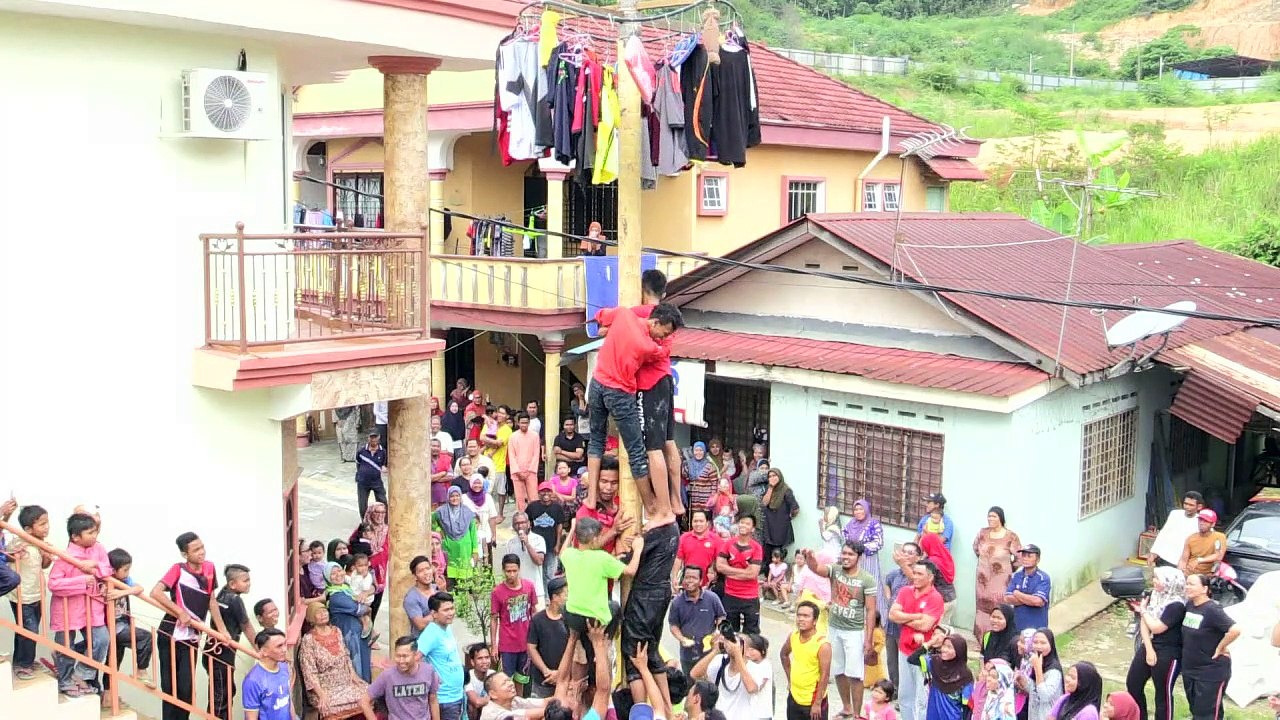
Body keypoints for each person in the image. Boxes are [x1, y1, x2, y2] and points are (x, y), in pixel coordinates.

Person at [586, 303, 684, 529]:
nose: (663, 337)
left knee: (596, 439)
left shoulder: (623, 314)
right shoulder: (647, 346)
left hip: (597, 382)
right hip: (619, 392)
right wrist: (662, 344)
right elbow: (662, 353)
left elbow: (601, 316)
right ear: (655, 322)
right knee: (638, 452)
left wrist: (607, 331)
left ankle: (592, 496)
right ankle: (654, 507)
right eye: (665, 332)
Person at [150, 531, 230, 720]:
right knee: (170, 687)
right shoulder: (178, 569)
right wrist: (179, 612)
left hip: (192, 634)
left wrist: (222, 630)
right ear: (185, 555)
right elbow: (156, 592)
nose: (201, 552)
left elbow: (211, 600)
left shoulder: (210, 568)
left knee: (186, 687)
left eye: (202, 547)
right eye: (196, 550)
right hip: (170, 632)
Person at [803, 541, 879, 720]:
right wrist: (810, 557)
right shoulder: (835, 570)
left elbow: (870, 610)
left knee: (855, 675)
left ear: (858, 557)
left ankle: (857, 714)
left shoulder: (866, 579)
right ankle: (846, 707)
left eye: (850, 554)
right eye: (844, 553)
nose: (846, 557)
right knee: (838, 670)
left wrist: (868, 639)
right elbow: (816, 568)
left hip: (854, 632)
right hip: (834, 628)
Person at [48, 512, 113, 698]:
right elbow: (53, 584)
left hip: (93, 607)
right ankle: (66, 681)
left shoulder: (98, 549)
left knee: (101, 640)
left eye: (95, 532)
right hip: (68, 609)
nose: (94, 536)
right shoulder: (65, 557)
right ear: (75, 537)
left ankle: (81, 673)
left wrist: (93, 565)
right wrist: (82, 581)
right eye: (90, 533)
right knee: (65, 647)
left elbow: (107, 569)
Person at [298, 602, 377, 719]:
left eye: (324, 611)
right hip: (325, 687)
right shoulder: (308, 640)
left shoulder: (336, 631)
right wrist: (321, 694)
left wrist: (354, 675)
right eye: (318, 613)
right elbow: (309, 672)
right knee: (329, 706)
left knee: (370, 693)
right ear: (311, 618)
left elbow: (346, 655)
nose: (323, 614)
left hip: (346, 681)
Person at [1124, 566, 1184, 720]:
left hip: (1168, 652)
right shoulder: (1155, 597)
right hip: (1150, 644)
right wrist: (1149, 649)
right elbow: (1145, 623)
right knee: (1133, 683)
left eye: (1158, 578)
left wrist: (1143, 610)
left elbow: (1157, 627)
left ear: (1169, 582)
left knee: (1162, 694)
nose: (1154, 582)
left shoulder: (1176, 605)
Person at [887, 559, 944, 720]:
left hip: (923, 655)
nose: (915, 577)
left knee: (922, 697)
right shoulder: (905, 591)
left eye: (920, 574)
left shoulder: (935, 597)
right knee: (905, 695)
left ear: (930, 577)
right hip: (904, 650)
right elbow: (892, 615)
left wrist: (903, 618)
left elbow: (926, 625)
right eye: (915, 573)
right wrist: (916, 616)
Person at [1180, 573, 1240, 720]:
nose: (1187, 587)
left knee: (1207, 714)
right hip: (1190, 669)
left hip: (1211, 671)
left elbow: (1235, 630)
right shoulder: (1189, 606)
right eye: (1186, 583)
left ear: (1204, 588)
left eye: (1192, 584)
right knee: (1196, 710)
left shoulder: (1212, 609)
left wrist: (1221, 647)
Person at [7, 504, 52, 681]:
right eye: (42, 524)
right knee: (29, 630)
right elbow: (7, 555)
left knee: (26, 630)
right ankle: (23, 665)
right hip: (21, 596)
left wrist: (47, 557)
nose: (47, 527)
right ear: (28, 528)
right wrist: (15, 555)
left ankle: (23, 660)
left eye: (47, 522)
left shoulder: (42, 544)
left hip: (36, 595)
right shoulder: (20, 541)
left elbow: (43, 565)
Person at [208, 564, 256, 719]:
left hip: (213, 649)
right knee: (222, 694)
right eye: (245, 580)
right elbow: (246, 625)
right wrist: (259, 647)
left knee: (222, 691)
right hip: (222, 652)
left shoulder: (222, 593)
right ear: (232, 584)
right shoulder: (234, 600)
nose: (249, 583)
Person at [690, 631, 772, 720]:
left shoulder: (756, 668)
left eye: (737, 643)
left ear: (748, 650)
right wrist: (715, 651)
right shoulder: (720, 661)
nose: (733, 645)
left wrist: (738, 655)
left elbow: (751, 688)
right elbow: (694, 674)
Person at [491, 554, 540, 695]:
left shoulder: (529, 587)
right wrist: (494, 645)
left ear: (519, 569)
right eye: (508, 571)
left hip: (525, 644)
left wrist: (536, 639)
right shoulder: (497, 592)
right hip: (507, 646)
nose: (511, 574)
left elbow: (534, 612)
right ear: (503, 570)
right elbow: (494, 619)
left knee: (521, 680)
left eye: (514, 571)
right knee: (504, 681)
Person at [974, 506, 1023, 639]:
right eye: (989, 516)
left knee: (999, 606)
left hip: (1001, 580)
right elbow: (976, 549)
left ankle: (1000, 637)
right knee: (982, 609)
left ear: (1000, 518)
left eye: (994, 516)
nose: (991, 519)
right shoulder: (982, 533)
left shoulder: (1010, 536)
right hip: (983, 579)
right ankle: (982, 639)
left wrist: (1008, 568)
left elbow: (1019, 557)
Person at [419, 592, 468, 720]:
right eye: (446, 610)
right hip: (444, 700)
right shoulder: (431, 633)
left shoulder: (446, 628)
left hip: (456, 695)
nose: (451, 613)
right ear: (434, 613)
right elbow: (414, 658)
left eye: (452, 608)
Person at [669, 566, 727, 675]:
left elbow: (721, 616)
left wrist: (718, 631)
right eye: (687, 577)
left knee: (711, 684)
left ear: (700, 581)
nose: (689, 581)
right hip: (688, 654)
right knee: (690, 683)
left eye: (694, 578)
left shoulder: (712, 598)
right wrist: (682, 639)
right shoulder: (677, 602)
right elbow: (673, 625)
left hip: (710, 652)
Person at [369, 636, 442, 720]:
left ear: (415, 655)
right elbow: (364, 702)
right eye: (398, 656)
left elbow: (433, 700)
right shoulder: (387, 676)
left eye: (405, 656)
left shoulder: (428, 671)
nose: (401, 661)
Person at [781, 601, 832, 720]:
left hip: (812, 702)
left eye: (806, 616)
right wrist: (790, 679)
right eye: (799, 615)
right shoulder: (793, 636)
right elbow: (783, 655)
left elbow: (825, 675)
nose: (801, 619)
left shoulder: (822, 644)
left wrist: (818, 703)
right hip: (794, 697)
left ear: (815, 621)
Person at [325, 561, 373, 681]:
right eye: (333, 574)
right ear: (327, 578)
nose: (338, 575)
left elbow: (372, 587)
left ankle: (366, 693)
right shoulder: (335, 596)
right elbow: (358, 609)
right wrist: (368, 608)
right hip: (350, 636)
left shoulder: (346, 588)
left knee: (364, 664)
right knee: (356, 666)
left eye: (339, 571)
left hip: (358, 634)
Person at [717, 513, 764, 635]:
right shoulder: (728, 544)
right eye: (741, 522)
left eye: (747, 523)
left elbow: (753, 574)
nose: (743, 525)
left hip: (750, 596)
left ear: (753, 528)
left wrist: (730, 571)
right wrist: (743, 572)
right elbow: (719, 566)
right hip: (730, 594)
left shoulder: (757, 548)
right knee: (729, 633)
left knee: (752, 634)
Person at [881, 542, 920, 689]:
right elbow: (887, 584)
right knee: (891, 659)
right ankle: (894, 688)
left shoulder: (917, 574)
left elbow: (914, 581)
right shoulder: (894, 574)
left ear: (918, 557)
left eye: (911, 553)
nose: (907, 555)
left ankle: (905, 691)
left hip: (906, 624)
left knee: (905, 659)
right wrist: (890, 598)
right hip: (891, 622)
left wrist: (904, 565)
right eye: (904, 552)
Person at [527, 577, 570, 699]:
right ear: (555, 597)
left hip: (566, 680)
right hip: (543, 681)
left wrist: (560, 673)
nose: (568, 598)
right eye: (565, 594)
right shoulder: (537, 620)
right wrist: (546, 671)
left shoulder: (570, 620)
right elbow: (531, 647)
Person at [243, 629, 295, 720]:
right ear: (264, 651)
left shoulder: (284, 667)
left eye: (285, 644)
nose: (284, 649)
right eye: (279, 646)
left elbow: (289, 701)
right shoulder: (253, 680)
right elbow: (251, 717)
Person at [920, 633, 973, 720]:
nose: (944, 649)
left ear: (959, 651)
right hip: (933, 715)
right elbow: (912, 659)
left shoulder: (965, 675)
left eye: (949, 647)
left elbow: (967, 706)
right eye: (943, 645)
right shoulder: (934, 662)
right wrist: (930, 643)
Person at [526, 482, 569, 588]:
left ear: (552, 493)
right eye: (542, 491)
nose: (545, 493)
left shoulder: (557, 507)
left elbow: (559, 526)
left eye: (548, 491)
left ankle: (549, 597)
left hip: (551, 544)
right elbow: (527, 523)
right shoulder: (532, 506)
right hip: (536, 545)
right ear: (538, 493)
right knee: (536, 571)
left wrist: (557, 544)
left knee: (549, 573)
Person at [435, 486, 480, 586]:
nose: (455, 499)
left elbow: (473, 533)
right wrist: (438, 530)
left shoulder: (467, 512)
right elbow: (432, 521)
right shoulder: (441, 512)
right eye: (452, 496)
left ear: (460, 497)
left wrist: (475, 551)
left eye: (457, 496)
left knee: (465, 581)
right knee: (451, 580)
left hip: (465, 548)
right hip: (449, 547)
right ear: (448, 497)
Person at [1148, 491, 1204, 568]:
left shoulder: (1201, 521)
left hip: (1183, 562)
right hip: (1165, 557)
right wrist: (1154, 552)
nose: (1187, 507)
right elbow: (1163, 533)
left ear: (1199, 507)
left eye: (1191, 505)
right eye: (1185, 504)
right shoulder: (1175, 514)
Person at [1004, 545, 1050, 632]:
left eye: (1029, 556)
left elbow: (1038, 601)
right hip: (1017, 626)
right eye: (1023, 555)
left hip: (1037, 627)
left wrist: (1017, 594)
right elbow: (1007, 599)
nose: (1025, 558)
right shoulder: (1016, 576)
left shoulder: (1043, 578)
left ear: (1038, 559)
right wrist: (1029, 599)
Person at [506, 512, 548, 607]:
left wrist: (527, 544)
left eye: (522, 522)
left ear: (528, 524)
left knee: (537, 619)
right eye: (517, 523)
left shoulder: (539, 539)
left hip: (536, 591)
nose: (520, 526)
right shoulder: (510, 543)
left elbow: (539, 561)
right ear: (513, 526)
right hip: (517, 592)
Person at [841, 500, 885, 591]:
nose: (858, 512)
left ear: (866, 510)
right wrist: (851, 547)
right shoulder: (851, 523)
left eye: (861, 509)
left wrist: (862, 547)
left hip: (867, 559)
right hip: (852, 558)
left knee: (868, 583)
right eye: (856, 509)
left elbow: (878, 542)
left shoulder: (874, 524)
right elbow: (844, 535)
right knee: (853, 583)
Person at [1021, 629, 1065, 720]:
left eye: (1043, 643)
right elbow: (1034, 690)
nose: (1038, 646)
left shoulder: (1054, 671)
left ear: (1051, 645)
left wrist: (1038, 669)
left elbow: (1044, 695)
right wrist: (1022, 680)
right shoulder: (1036, 660)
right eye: (1035, 642)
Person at [674, 510, 720, 590]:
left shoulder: (716, 539)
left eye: (701, 521)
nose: (698, 524)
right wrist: (674, 577)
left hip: (708, 585)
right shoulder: (684, 538)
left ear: (707, 523)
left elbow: (719, 561)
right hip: (688, 582)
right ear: (691, 522)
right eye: (695, 521)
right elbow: (678, 559)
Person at [482, 405, 515, 516]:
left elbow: (500, 443)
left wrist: (489, 442)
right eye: (499, 412)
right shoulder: (490, 423)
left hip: (499, 464)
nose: (500, 415)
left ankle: (500, 514)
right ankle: (487, 513)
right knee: (486, 490)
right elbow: (482, 438)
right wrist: (492, 442)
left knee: (501, 491)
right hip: (486, 462)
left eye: (503, 413)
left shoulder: (508, 430)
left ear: (507, 416)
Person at [761, 468, 799, 561]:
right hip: (769, 525)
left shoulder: (786, 490)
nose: (772, 478)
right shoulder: (768, 488)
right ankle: (768, 573)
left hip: (780, 526)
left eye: (774, 476)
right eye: (770, 476)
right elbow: (764, 503)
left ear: (779, 477)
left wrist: (789, 517)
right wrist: (770, 488)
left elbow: (795, 508)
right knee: (767, 552)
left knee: (777, 554)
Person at [919, 534, 958, 624]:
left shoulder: (931, 561)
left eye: (924, 546)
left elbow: (923, 580)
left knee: (935, 632)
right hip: (951, 599)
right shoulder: (945, 555)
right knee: (943, 630)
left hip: (941, 601)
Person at [509, 412, 542, 512]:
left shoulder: (535, 436)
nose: (524, 425)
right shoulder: (513, 436)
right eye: (522, 423)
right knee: (519, 498)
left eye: (526, 423)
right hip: (517, 472)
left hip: (531, 472)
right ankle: (521, 519)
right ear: (518, 423)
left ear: (529, 423)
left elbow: (536, 454)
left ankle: (534, 518)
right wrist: (517, 471)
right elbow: (511, 455)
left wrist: (529, 470)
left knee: (533, 497)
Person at [463, 473, 501, 562]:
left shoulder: (488, 497)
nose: (477, 486)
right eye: (475, 483)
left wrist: (494, 535)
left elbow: (492, 518)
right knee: (473, 562)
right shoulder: (464, 498)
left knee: (487, 561)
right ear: (470, 484)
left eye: (479, 483)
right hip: (470, 535)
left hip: (486, 534)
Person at [480, 672, 547, 720]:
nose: (510, 684)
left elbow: (545, 702)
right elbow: (529, 715)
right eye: (504, 683)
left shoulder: (514, 700)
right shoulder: (491, 713)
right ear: (493, 694)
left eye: (509, 680)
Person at [1180, 509, 1227, 576]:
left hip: (1206, 576)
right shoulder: (1190, 538)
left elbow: (1218, 556)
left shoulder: (1219, 537)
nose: (1201, 523)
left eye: (1206, 521)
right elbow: (1183, 560)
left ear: (1213, 524)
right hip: (1189, 574)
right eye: (1200, 520)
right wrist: (1180, 574)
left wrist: (1199, 560)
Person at [405, 555, 441, 640]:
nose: (426, 573)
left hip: (441, 638)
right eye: (421, 571)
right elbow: (420, 624)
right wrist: (440, 612)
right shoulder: (411, 598)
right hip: (423, 642)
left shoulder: (437, 588)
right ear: (415, 576)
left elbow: (450, 610)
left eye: (428, 568)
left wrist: (444, 591)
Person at [355, 431, 389, 517]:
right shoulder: (361, 451)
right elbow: (358, 463)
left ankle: (384, 522)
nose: (373, 440)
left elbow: (383, 464)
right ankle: (365, 523)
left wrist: (384, 468)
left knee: (383, 502)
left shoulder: (383, 452)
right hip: (363, 482)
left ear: (378, 438)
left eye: (375, 437)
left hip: (376, 481)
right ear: (368, 438)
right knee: (362, 505)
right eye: (371, 437)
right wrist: (360, 474)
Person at [432, 438, 456, 507]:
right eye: (433, 446)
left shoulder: (445, 459)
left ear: (440, 448)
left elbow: (451, 475)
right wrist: (441, 474)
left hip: (444, 496)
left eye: (437, 446)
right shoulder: (424, 459)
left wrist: (434, 478)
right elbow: (426, 479)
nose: (435, 448)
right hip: (428, 496)